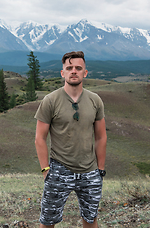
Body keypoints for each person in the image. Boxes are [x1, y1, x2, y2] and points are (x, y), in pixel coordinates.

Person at [34, 51, 107, 228]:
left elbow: (101, 136)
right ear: (63, 73)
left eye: (78, 68)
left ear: (85, 72)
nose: (73, 71)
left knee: (91, 219)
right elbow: (39, 138)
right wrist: (45, 169)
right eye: (69, 68)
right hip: (59, 169)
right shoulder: (50, 101)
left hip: (89, 171)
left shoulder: (95, 100)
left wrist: (100, 169)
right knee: (48, 220)